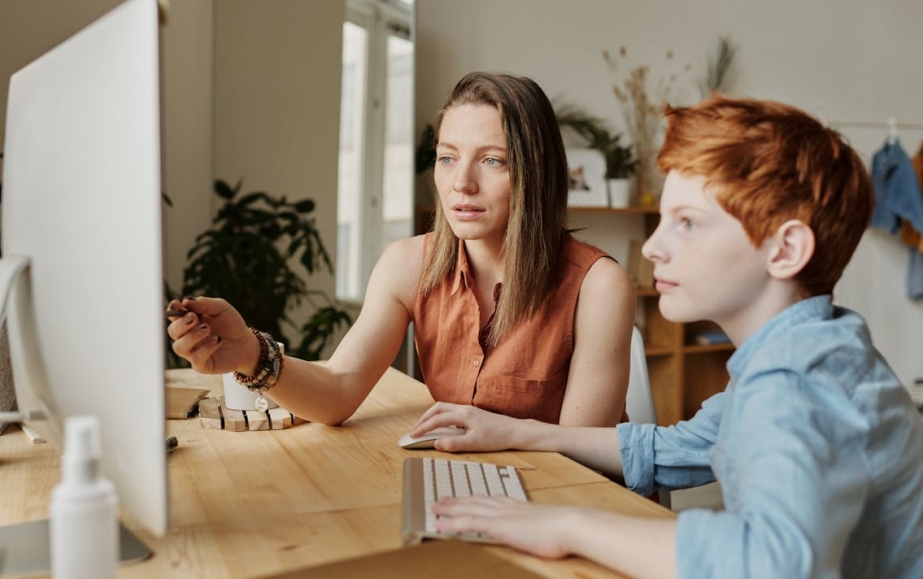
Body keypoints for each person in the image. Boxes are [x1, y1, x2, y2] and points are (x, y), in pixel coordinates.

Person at [412, 95, 923, 579]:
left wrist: (566, 526)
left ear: (786, 250)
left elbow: (769, 562)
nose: (653, 247)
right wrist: (517, 432)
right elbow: (674, 450)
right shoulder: (806, 350)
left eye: (688, 224)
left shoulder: (796, 381)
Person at [167, 71, 636, 428]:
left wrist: (490, 437)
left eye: (492, 161)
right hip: (474, 490)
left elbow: (581, 459)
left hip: (569, 507)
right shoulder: (408, 264)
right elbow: (338, 390)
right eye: (448, 157)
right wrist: (251, 352)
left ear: (537, 174)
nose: (461, 183)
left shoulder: (599, 286)